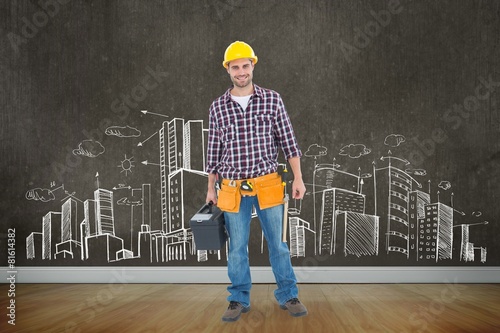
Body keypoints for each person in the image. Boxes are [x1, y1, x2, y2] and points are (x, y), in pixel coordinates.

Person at [205, 41, 308, 322]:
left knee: (278, 244)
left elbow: (289, 142)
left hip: (268, 183)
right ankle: (238, 299)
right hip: (232, 188)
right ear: (228, 70)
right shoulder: (218, 108)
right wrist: (210, 188)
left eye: (245, 66)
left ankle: (288, 294)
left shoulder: (272, 100)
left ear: (253, 66)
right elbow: (213, 152)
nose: (241, 71)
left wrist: (298, 178)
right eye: (235, 67)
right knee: (237, 248)